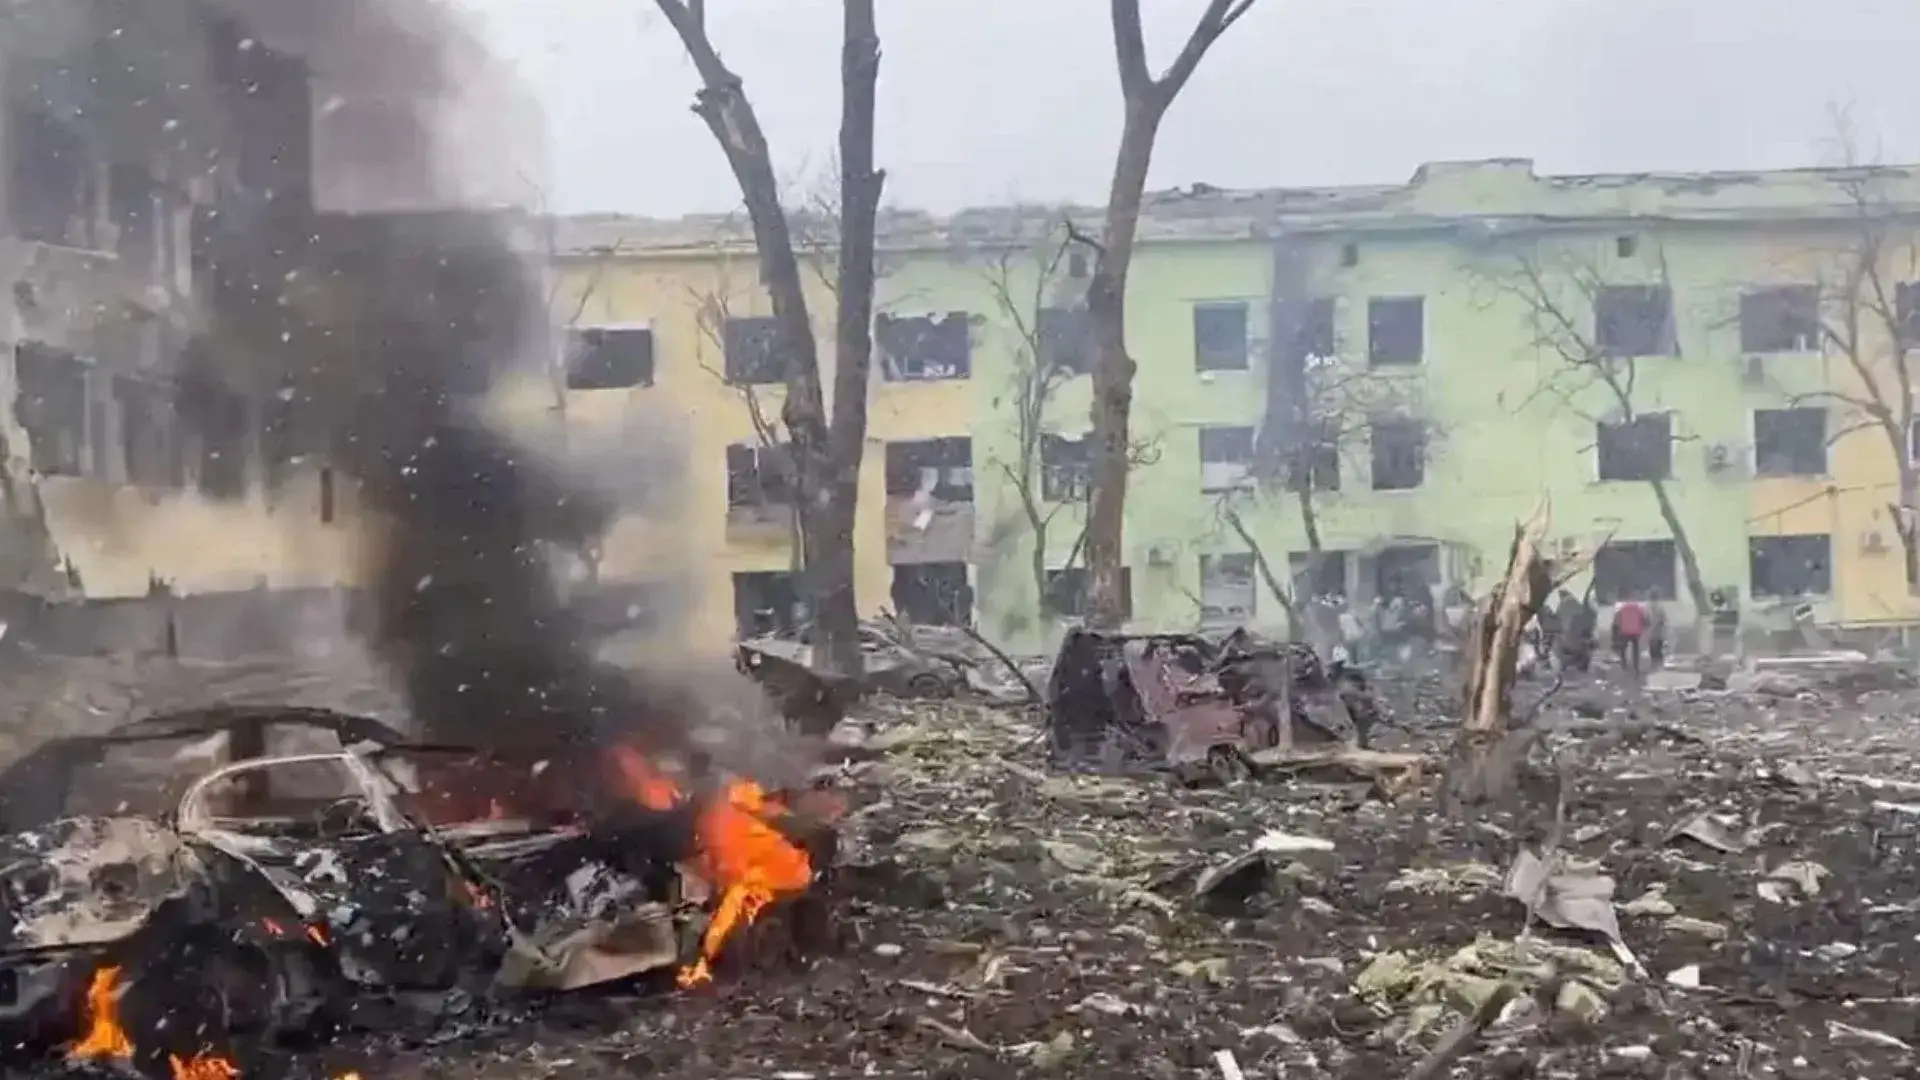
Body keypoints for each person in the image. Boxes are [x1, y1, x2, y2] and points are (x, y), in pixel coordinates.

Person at [1612, 596, 1648, 678]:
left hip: (1625, 632)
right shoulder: (1639, 608)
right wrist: (1642, 629)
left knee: (1623, 649)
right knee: (1635, 650)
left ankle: (1624, 665)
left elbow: (1617, 620)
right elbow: (1643, 620)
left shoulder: (1622, 608)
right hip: (1636, 632)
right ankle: (1636, 667)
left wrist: (1619, 629)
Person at [1647, 601, 1668, 669]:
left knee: (1657, 648)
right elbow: (1664, 620)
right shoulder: (1650, 610)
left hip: (1656, 633)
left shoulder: (1650, 610)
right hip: (1655, 633)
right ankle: (1657, 663)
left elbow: (1664, 620)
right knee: (1655, 649)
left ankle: (1657, 663)